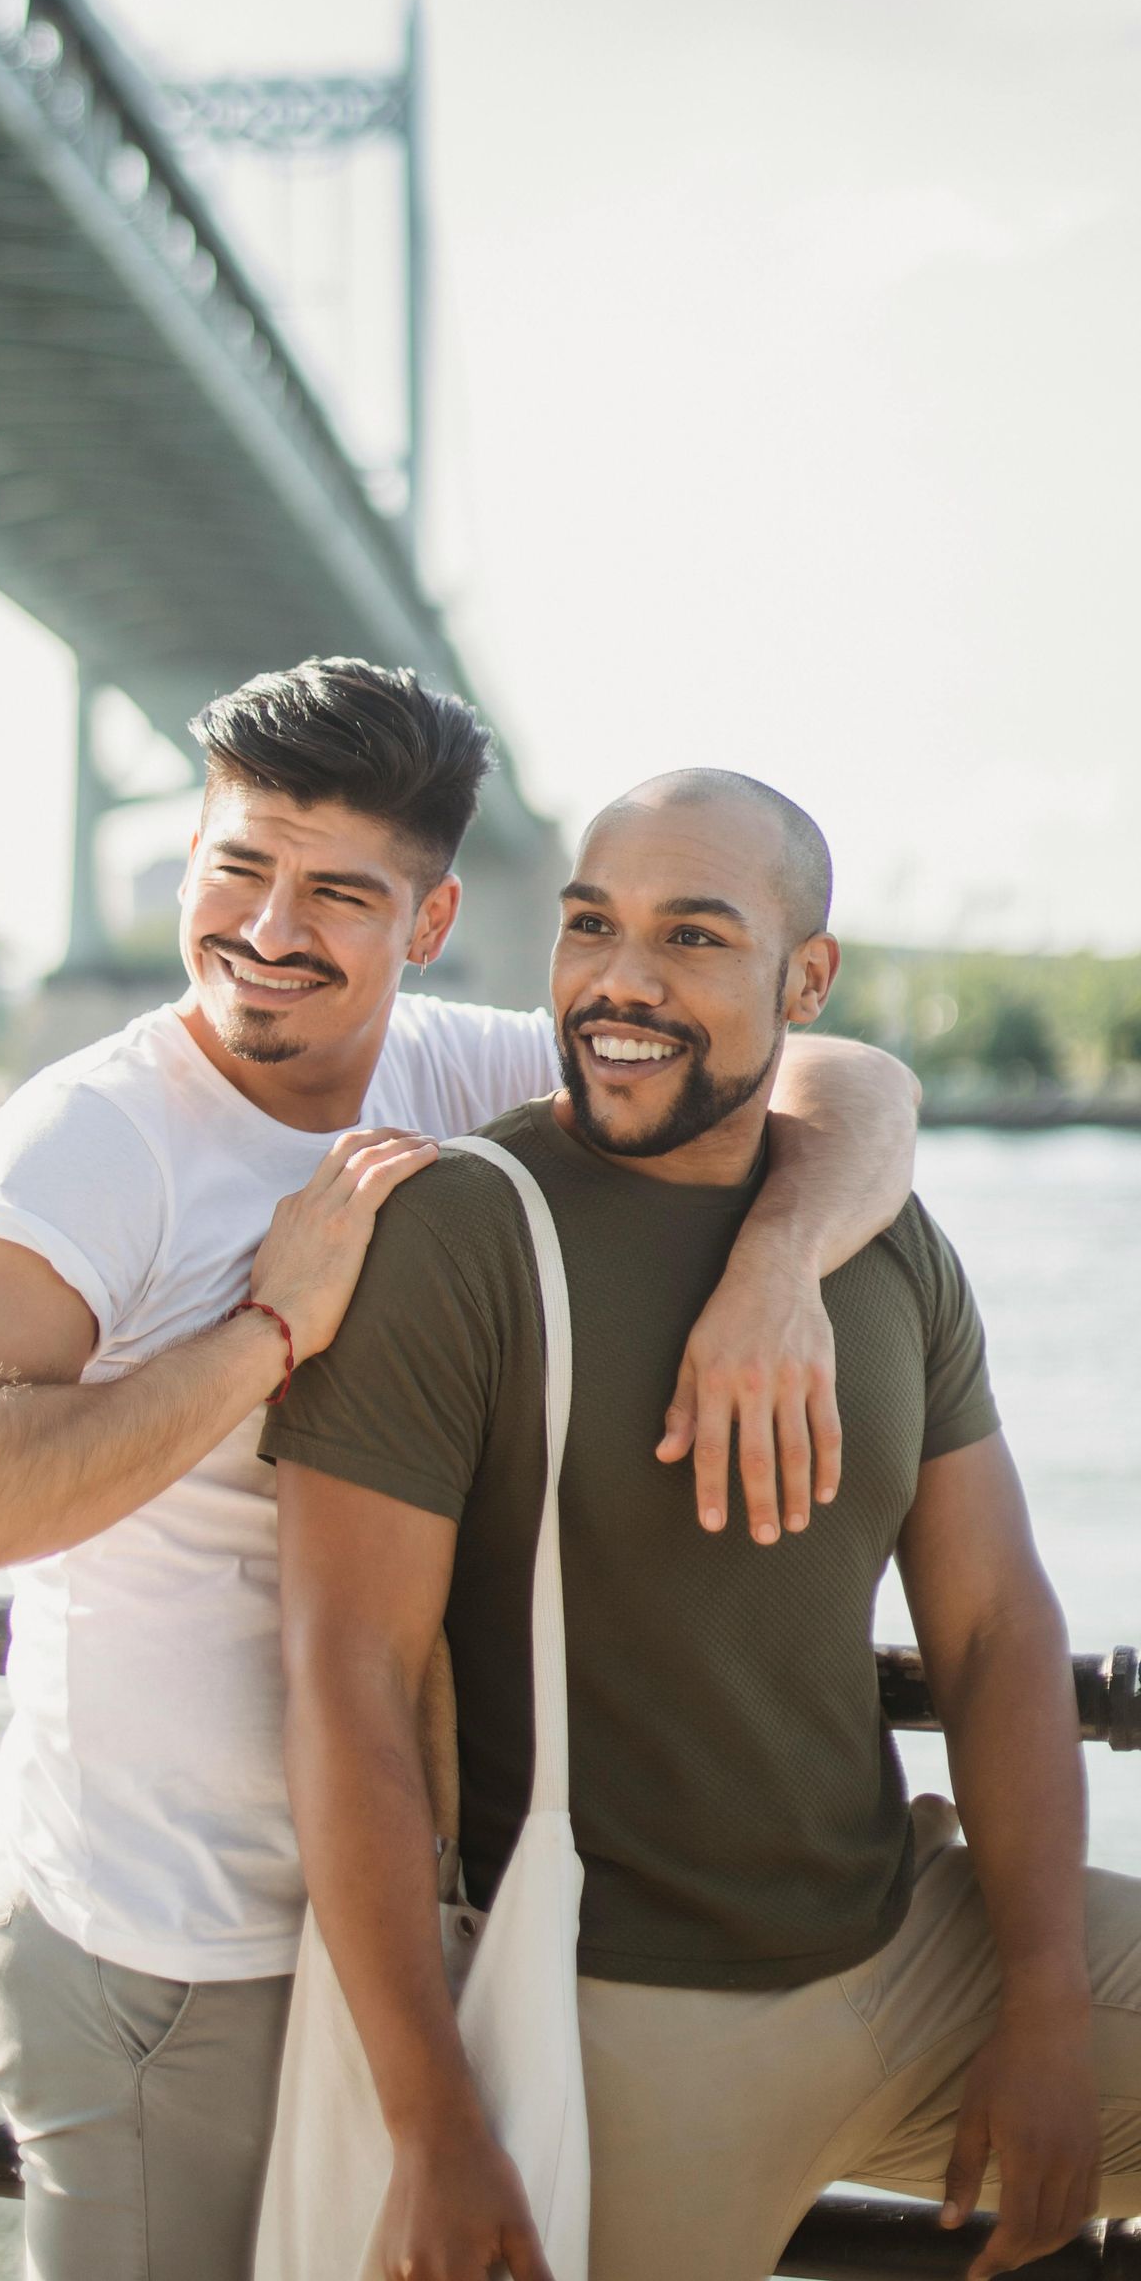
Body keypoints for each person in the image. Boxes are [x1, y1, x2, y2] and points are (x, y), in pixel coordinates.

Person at [0, 670, 920, 2281]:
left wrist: (777, 1262)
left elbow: (842, 1082)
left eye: (339, 893)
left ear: (426, 927)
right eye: (237, 867)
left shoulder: (453, 1073)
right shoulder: (88, 1145)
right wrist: (265, 1330)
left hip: (419, 1940)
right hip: (171, 1957)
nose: (270, 929)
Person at [266, 767, 1141, 2281]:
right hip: (619, 2024)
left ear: (807, 977)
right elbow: (342, 1685)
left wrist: (1048, 2001)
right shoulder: (458, 1234)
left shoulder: (877, 1240)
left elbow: (997, 1626)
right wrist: (435, 2129)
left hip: (910, 1949)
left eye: (693, 939)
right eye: (592, 927)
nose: (620, 982)